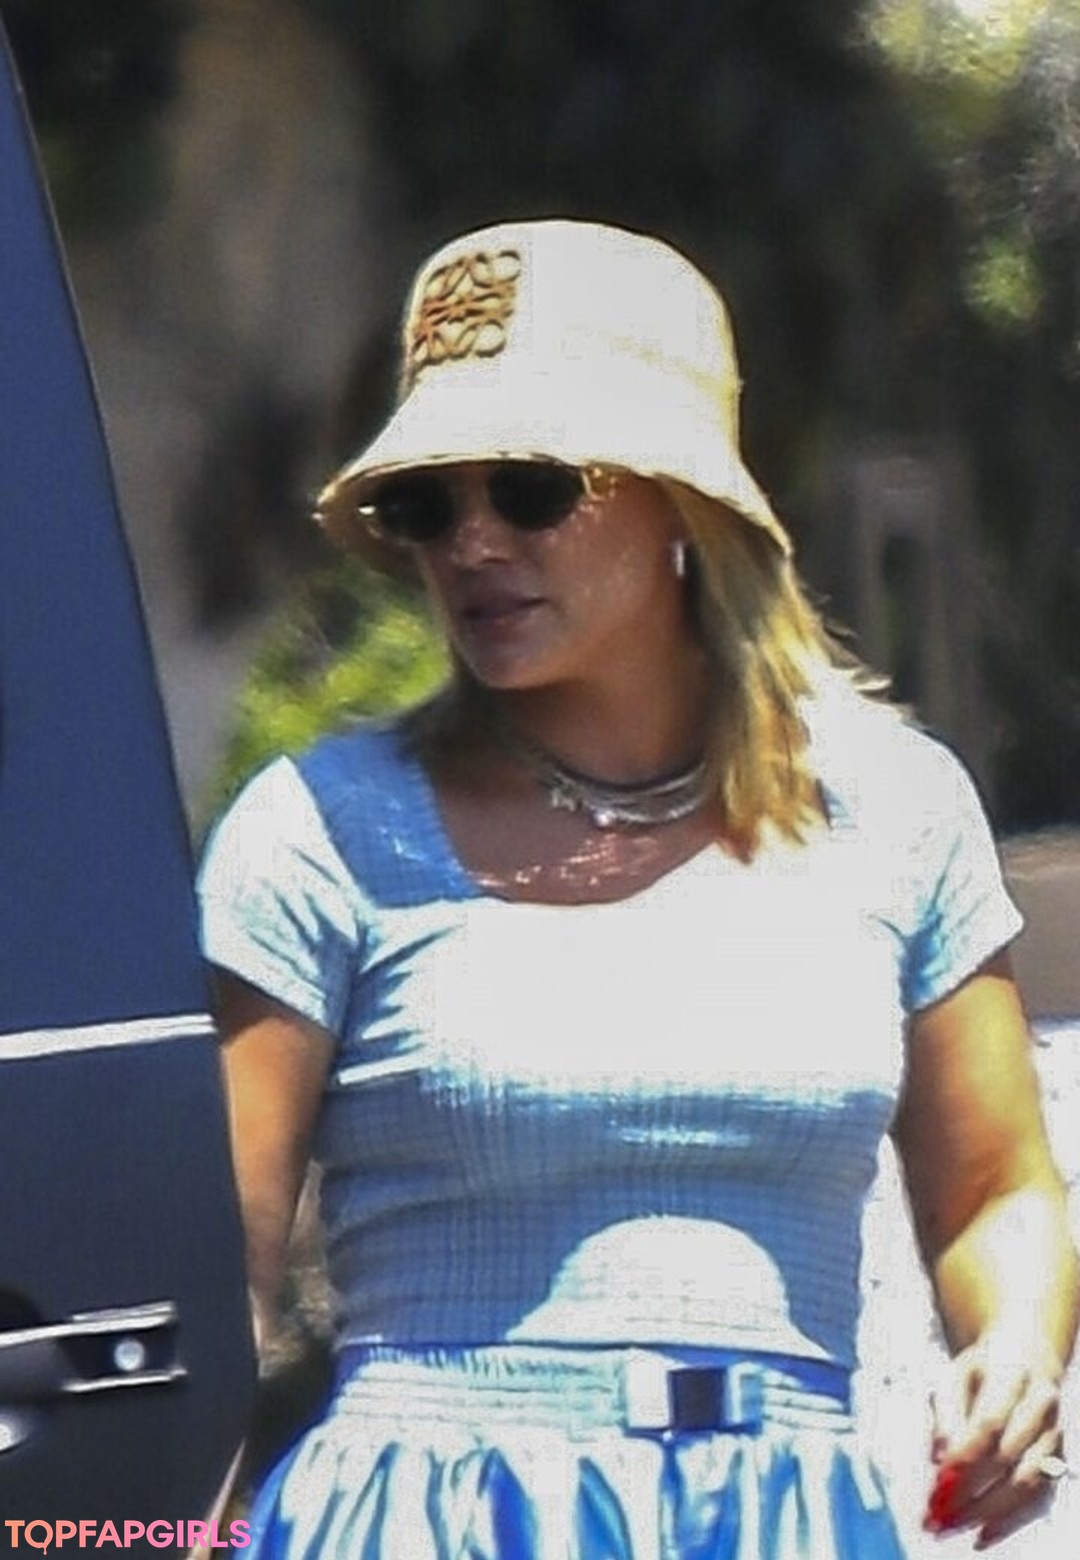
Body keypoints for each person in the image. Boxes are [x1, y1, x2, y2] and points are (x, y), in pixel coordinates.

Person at [198, 218, 1078, 1558]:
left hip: (787, 1516)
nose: (471, 541)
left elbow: (996, 1191)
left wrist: (1014, 1352)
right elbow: (210, 1284)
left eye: (530, 488)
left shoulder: (898, 810)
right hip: (427, 1519)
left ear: (681, 503)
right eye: (428, 505)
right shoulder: (316, 828)